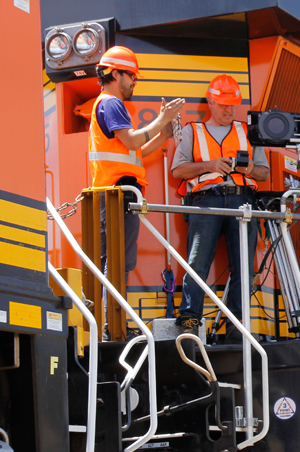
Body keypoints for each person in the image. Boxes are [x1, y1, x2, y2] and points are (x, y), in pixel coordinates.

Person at [89, 46, 184, 336]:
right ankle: (112, 325)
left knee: (118, 261)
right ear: (115, 73)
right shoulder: (110, 103)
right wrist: (162, 119)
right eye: (132, 76)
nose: (134, 82)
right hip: (115, 193)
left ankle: (113, 323)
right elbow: (131, 142)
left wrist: (163, 134)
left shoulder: (109, 105)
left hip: (117, 193)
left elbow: (136, 150)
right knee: (116, 262)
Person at [171, 75, 269, 342]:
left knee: (244, 268)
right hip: (207, 201)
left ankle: (237, 328)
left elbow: (263, 173)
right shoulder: (194, 131)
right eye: (224, 104)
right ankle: (190, 319)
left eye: (233, 105)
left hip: (243, 200)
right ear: (211, 102)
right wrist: (210, 165)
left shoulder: (248, 132)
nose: (229, 110)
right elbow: (178, 169)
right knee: (197, 262)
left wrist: (248, 169)